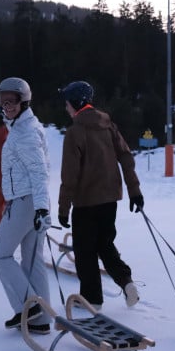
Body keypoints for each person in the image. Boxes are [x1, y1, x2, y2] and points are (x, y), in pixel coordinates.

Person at [56, 80, 143, 310]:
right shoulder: (108, 125)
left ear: (76, 103)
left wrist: (63, 208)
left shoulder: (75, 132)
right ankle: (126, 282)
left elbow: (69, 176)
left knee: (85, 251)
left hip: (85, 203)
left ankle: (92, 299)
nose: (66, 108)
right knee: (105, 245)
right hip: (109, 200)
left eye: (67, 103)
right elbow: (126, 156)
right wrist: (135, 191)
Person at [0, 77, 52, 334]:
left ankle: (29, 306)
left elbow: (38, 172)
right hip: (32, 202)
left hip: (27, 202)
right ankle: (41, 320)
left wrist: (40, 208)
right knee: (32, 260)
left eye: (12, 100)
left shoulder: (25, 132)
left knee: (0, 254)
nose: (7, 106)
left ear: (24, 101)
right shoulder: (23, 127)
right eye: (3, 101)